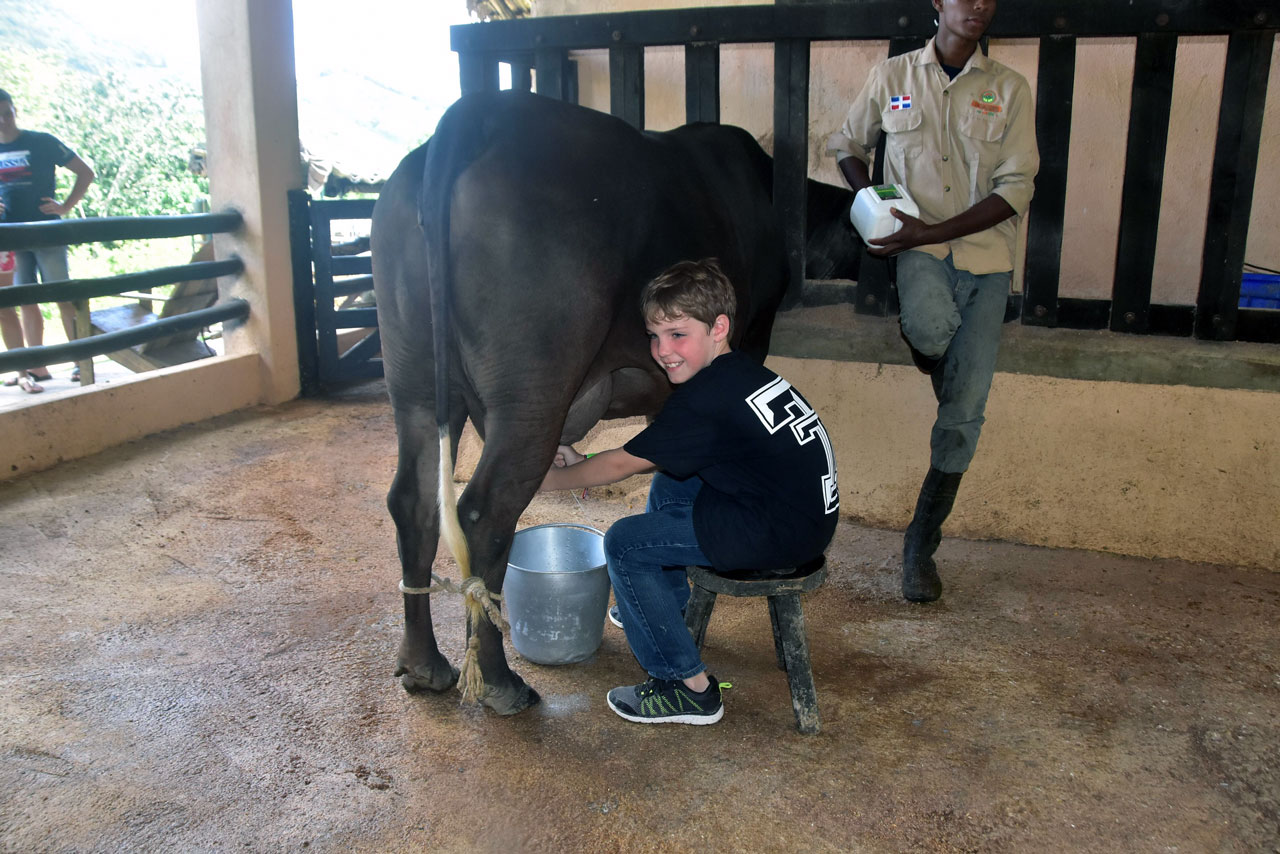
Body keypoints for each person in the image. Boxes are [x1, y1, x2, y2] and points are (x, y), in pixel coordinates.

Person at [540, 258, 839, 725]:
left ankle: (687, 686)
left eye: (678, 334)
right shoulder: (737, 373)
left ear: (718, 327)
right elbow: (647, 453)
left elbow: (621, 464)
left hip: (776, 532)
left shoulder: (706, 399)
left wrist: (546, 480)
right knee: (674, 476)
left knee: (624, 543)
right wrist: (583, 461)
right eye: (655, 336)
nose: (662, 350)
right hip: (800, 514)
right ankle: (666, 608)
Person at [826, 0, 1038, 603]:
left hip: (986, 259)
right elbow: (846, 139)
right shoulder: (893, 77)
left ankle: (922, 541)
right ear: (938, 4)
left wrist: (929, 233)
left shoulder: (1010, 88)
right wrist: (873, 201)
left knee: (964, 414)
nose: (978, 7)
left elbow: (1017, 186)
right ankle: (935, 355)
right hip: (916, 252)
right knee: (928, 329)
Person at [0, 87, 95, 389]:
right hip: (11, 237)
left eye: (6, 113)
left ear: (15, 110)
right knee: (26, 300)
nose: (3, 120)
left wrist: (66, 206)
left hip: (47, 231)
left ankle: (81, 361)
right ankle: (36, 366)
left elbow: (85, 172)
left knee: (61, 297)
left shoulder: (41, 142)